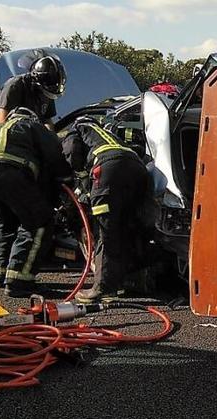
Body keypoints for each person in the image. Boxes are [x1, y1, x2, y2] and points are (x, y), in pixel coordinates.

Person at [0, 107, 71, 297]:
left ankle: (1, 272)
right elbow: (56, 154)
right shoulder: (31, 126)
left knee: (6, 222)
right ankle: (20, 280)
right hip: (6, 174)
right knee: (39, 222)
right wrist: (67, 178)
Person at [60, 116, 152, 303]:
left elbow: (71, 152)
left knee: (105, 230)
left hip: (108, 170)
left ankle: (103, 288)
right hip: (138, 170)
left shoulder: (78, 128)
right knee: (131, 226)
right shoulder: (108, 134)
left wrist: (81, 179)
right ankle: (135, 279)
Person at [0, 52, 66, 129]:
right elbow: (0, 123)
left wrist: (49, 135)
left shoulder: (49, 90)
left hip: (36, 135)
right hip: (15, 135)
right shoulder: (15, 85)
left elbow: (47, 120)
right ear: (37, 78)